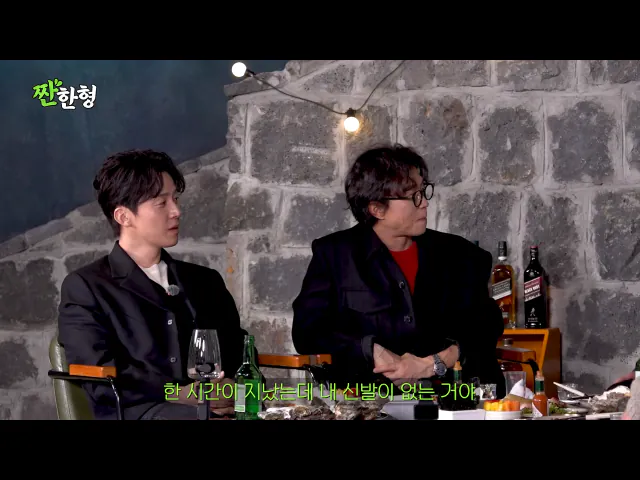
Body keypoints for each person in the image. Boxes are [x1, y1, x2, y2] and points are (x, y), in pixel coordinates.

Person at [291, 144, 506, 398]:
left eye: (424, 191)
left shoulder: (459, 254)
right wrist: (370, 349)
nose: (424, 203)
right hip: (368, 401)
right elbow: (307, 331)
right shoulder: (335, 255)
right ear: (377, 209)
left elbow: (486, 325)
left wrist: (433, 363)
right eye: (413, 196)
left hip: (449, 400)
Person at [57, 149, 247, 420]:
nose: (176, 211)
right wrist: (178, 393)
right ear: (123, 216)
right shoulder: (87, 287)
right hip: (139, 412)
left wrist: (237, 392)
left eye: (175, 199)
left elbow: (239, 352)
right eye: (161, 203)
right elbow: (97, 373)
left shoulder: (205, 281)